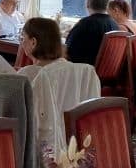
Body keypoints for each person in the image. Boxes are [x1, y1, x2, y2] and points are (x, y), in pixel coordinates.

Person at [18, 17, 101, 152]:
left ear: (33, 42)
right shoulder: (84, 71)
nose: (21, 42)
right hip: (80, 148)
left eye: (22, 38)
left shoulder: (29, 75)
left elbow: (23, 119)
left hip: (43, 152)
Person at [65, 0, 119, 65]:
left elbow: (68, 48)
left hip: (85, 70)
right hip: (106, 69)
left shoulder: (84, 24)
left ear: (87, 4)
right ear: (107, 5)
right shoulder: (115, 24)